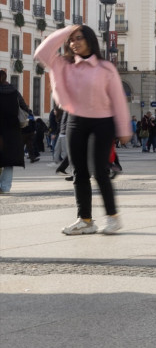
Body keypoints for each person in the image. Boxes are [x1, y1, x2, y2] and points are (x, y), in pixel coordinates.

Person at [35, 25, 132, 234]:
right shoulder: (64, 65)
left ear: (90, 40)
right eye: (71, 40)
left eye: (79, 38)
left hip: (102, 122)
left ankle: (113, 217)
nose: (74, 43)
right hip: (75, 120)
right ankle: (85, 220)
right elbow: (41, 52)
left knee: (99, 171)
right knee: (79, 172)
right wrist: (69, 29)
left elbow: (118, 100)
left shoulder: (105, 68)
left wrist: (124, 128)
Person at [0, 70, 31, 194]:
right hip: (12, 130)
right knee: (9, 160)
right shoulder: (14, 92)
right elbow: (25, 108)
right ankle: (5, 187)